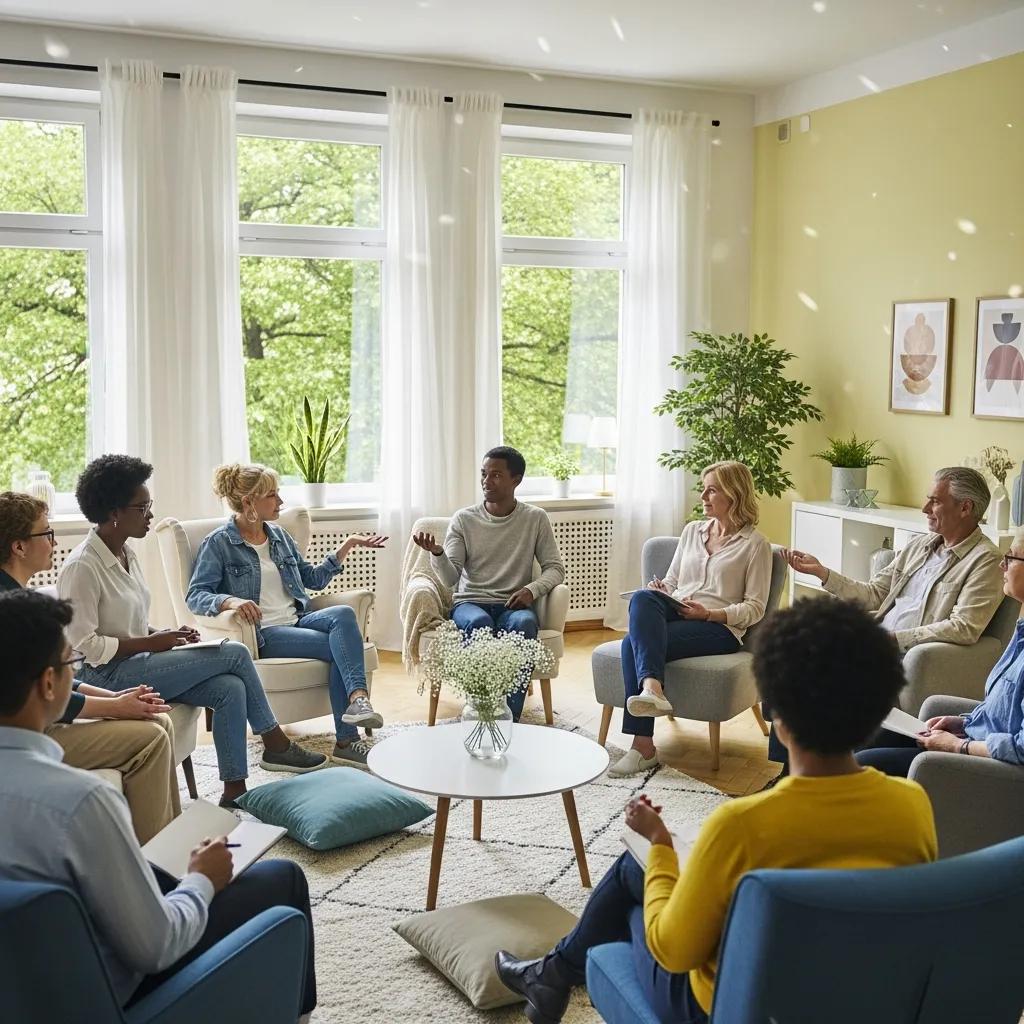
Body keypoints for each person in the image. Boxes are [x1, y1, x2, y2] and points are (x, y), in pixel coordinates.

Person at [494, 598, 937, 1024]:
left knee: (636, 880)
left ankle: (551, 975)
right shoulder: (912, 803)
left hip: (724, 1007)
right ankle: (548, 976)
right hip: (846, 998)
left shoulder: (742, 826)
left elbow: (673, 951)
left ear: (776, 715)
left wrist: (662, 845)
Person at [0, 589, 316, 1016]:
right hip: (113, 994)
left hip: (27, 991)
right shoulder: (80, 803)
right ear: (49, 683)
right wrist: (203, 879)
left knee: (161, 870)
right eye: (71, 665)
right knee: (284, 879)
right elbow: (156, 946)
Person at [57, 455, 326, 808]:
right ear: (114, 513)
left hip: (139, 660)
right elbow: (85, 647)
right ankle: (275, 742)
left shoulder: (126, 552)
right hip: (105, 678)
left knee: (229, 687)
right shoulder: (82, 567)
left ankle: (234, 791)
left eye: (149, 505)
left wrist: (165, 633)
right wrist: (153, 641)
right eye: (142, 507)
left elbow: (128, 624)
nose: (150, 514)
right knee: (235, 652)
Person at [768, 466, 1005, 776]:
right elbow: (874, 593)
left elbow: (964, 627)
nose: (925, 509)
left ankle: (807, 777)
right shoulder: (920, 545)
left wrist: (894, 638)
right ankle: (789, 773)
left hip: (901, 653)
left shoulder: (985, 560)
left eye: (934, 501)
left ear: (965, 508)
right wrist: (822, 573)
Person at [0, 490, 178, 842]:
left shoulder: (22, 600)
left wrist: (118, 698)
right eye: (46, 533)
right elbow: (41, 694)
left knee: (160, 719)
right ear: (19, 547)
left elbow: (56, 676)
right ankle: (155, 860)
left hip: (38, 722)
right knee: (151, 739)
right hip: (24, 735)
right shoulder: (11, 612)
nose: (53, 541)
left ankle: (170, 843)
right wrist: (114, 706)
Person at [186, 463, 387, 769]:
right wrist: (230, 601)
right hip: (265, 633)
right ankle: (347, 739)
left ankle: (358, 702)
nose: (280, 501)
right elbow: (196, 595)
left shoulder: (279, 536)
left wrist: (346, 547)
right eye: (272, 495)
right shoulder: (219, 543)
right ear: (249, 502)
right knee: (341, 650)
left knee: (343, 615)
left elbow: (314, 579)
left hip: (298, 619)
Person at [609, 461, 772, 777]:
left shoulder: (756, 545)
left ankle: (643, 746)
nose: (703, 497)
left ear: (734, 494)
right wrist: (662, 589)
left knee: (632, 643)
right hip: (677, 611)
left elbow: (755, 607)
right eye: (704, 488)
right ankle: (652, 690)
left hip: (718, 628)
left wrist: (709, 613)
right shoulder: (691, 532)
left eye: (712, 490)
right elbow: (672, 580)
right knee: (644, 597)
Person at [411, 446, 565, 721]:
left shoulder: (535, 518)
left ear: (516, 480)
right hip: (470, 603)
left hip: (512, 604)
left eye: (495, 475)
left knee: (525, 624)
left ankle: (510, 720)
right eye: (483, 474)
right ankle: (481, 708)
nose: (486, 481)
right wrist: (438, 553)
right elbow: (450, 578)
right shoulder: (464, 519)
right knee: (479, 622)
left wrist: (532, 590)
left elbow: (555, 569)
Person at [857, 525, 1024, 776]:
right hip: (970, 743)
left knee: (862, 764)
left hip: (987, 772)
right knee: (862, 737)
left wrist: (959, 745)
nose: (1003, 565)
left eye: (1011, 557)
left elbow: (1020, 748)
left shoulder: (982, 558)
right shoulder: (1020, 632)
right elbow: (1002, 714)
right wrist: (963, 722)